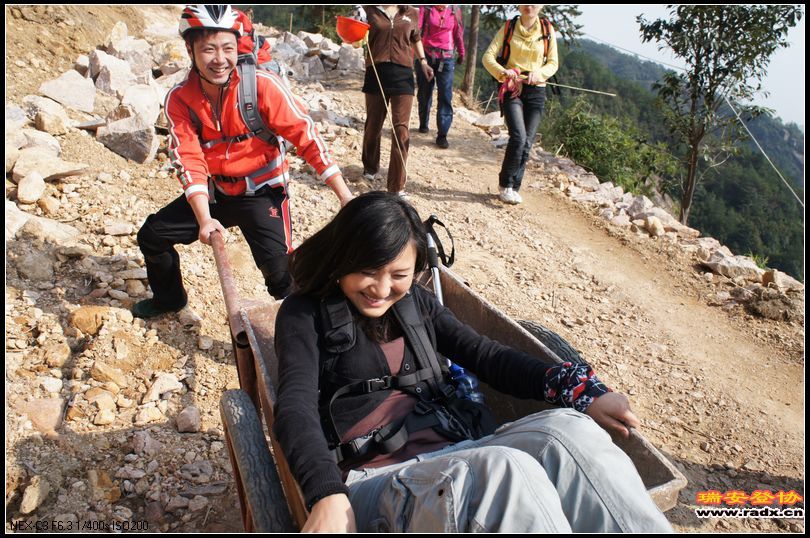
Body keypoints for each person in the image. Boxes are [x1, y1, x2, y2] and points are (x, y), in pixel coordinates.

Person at [273, 191, 673, 532]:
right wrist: (326, 493)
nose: (381, 289)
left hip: (460, 457)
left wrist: (578, 389)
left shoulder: (416, 304)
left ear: (416, 270)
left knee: (570, 430)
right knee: (505, 469)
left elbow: (487, 355)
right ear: (340, 258)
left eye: (398, 274)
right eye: (366, 271)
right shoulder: (304, 314)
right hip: (372, 482)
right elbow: (295, 407)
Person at [133, 5, 353, 319]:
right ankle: (169, 299)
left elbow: (306, 136)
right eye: (208, 49)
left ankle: (310, 334)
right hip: (216, 192)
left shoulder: (262, 87)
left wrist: (343, 194)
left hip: (262, 194)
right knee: (152, 236)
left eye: (227, 48)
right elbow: (189, 158)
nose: (219, 59)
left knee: (282, 277)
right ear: (190, 50)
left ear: (239, 48)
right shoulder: (181, 99)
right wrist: (204, 218)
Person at [482, 4, 558, 205]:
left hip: (536, 90)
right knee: (518, 136)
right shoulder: (508, 27)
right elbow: (487, 57)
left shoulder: (547, 29)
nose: (529, 6)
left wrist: (539, 74)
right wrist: (503, 72)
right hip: (512, 88)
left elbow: (553, 63)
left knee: (527, 141)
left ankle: (514, 187)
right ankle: (505, 185)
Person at [356, 5, 434, 196]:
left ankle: (396, 187)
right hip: (376, 72)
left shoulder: (412, 13)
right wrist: (354, 35)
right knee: (373, 126)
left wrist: (423, 61)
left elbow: (416, 38)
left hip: (403, 76)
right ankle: (370, 168)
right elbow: (356, 39)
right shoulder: (368, 10)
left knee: (401, 130)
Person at [416, 5, 465, 149]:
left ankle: (442, 134)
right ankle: (423, 123)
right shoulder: (425, 9)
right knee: (424, 92)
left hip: (446, 59)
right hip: (426, 56)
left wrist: (461, 52)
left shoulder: (454, 11)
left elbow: (458, 33)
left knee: (445, 95)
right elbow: (417, 31)